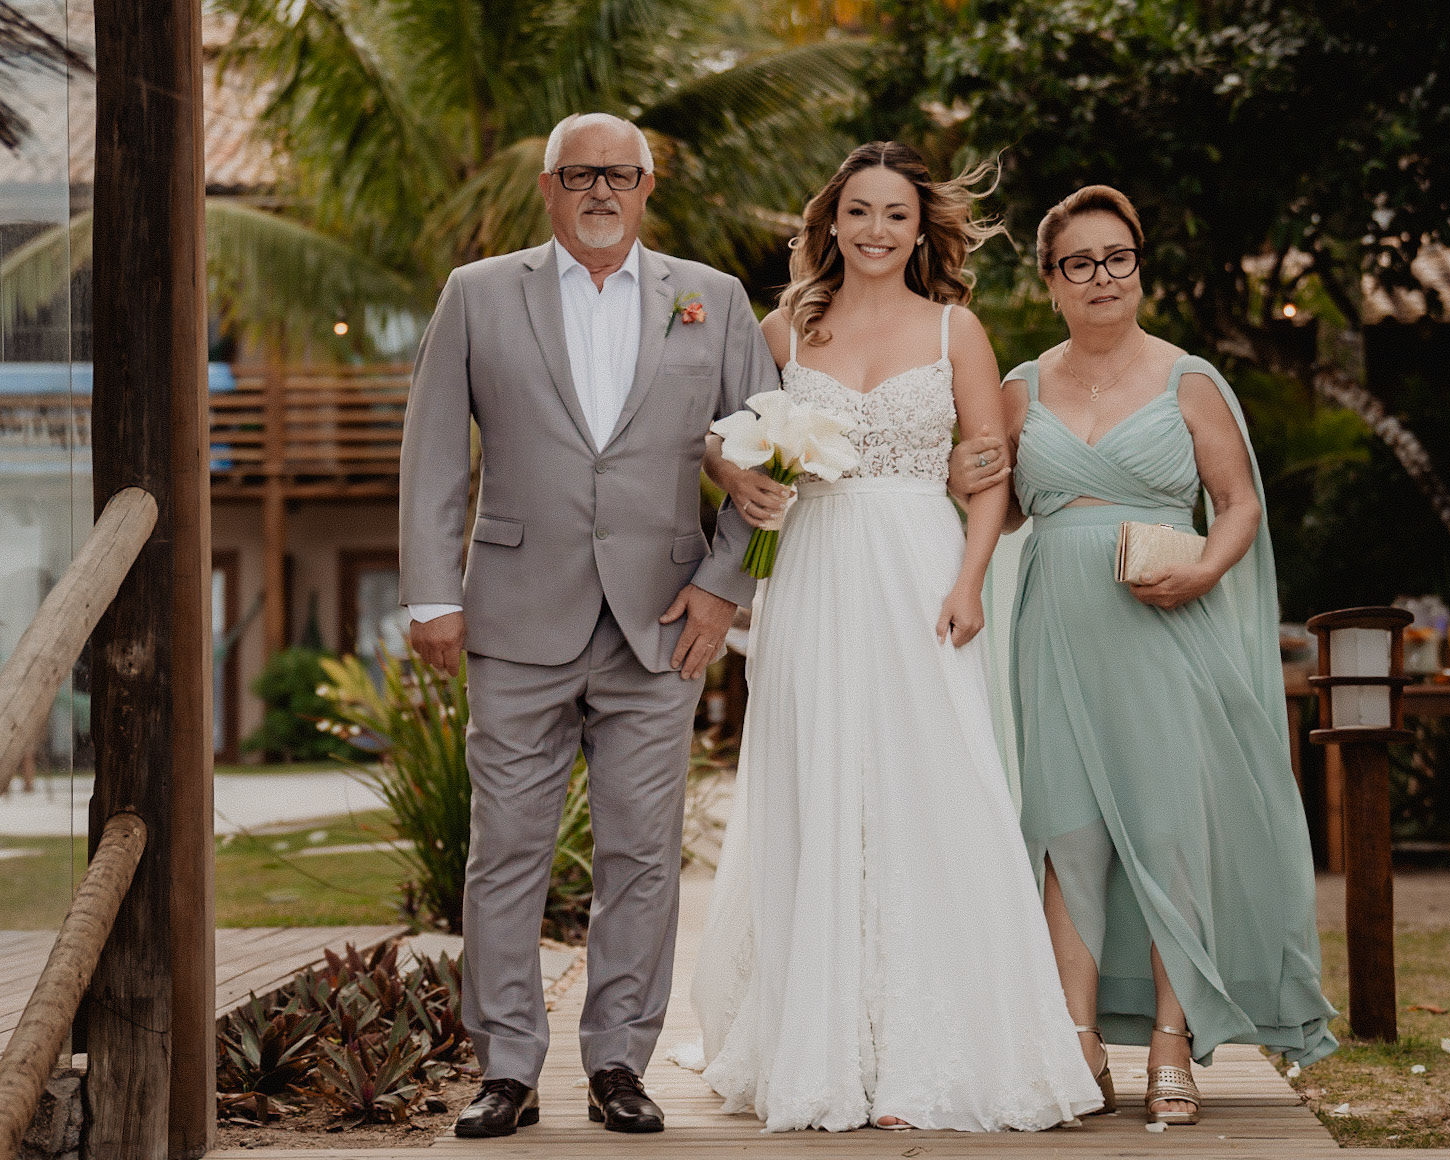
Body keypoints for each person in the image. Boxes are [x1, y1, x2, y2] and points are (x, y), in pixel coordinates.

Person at [690, 142, 1103, 1132]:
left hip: (922, 572)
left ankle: (930, 1047)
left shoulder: (956, 328)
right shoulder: (785, 326)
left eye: (896, 215)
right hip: (812, 573)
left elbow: (988, 470)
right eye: (860, 211)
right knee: (818, 781)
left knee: (932, 783)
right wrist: (736, 476)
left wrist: (969, 581)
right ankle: (827, 1043)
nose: (875, 230)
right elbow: (714, 434)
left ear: (921, 232)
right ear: (831, 221)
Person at [399, 112, 773, 1137]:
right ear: (548, 188)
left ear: (648, 187)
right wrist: (432, 593)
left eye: (619, 173)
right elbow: (433, 448)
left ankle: (618, 1061)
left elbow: (768, 447)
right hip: (516, 613)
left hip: (664, 619)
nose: (600, 189)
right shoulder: (478, 293)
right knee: (505, 849)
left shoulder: (713, 299)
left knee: (642, 856)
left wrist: (723, 587)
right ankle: (506, 1067)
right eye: (578, 174)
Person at [951, 185, 1338, 1127]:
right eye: (1079, 263)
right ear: (1050, 282)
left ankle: (1172, 1040)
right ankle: (1077, 1043)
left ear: (1138, 268)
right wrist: (959, 479)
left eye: (1116, 257)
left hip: (1167, 625)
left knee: (1169, 832)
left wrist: (1204, 568)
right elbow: (996, 507)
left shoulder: (1187, 380)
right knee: (1067, 833)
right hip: (1057, 631)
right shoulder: (1020, 388)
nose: (1102, 277)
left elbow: (1237, 503)